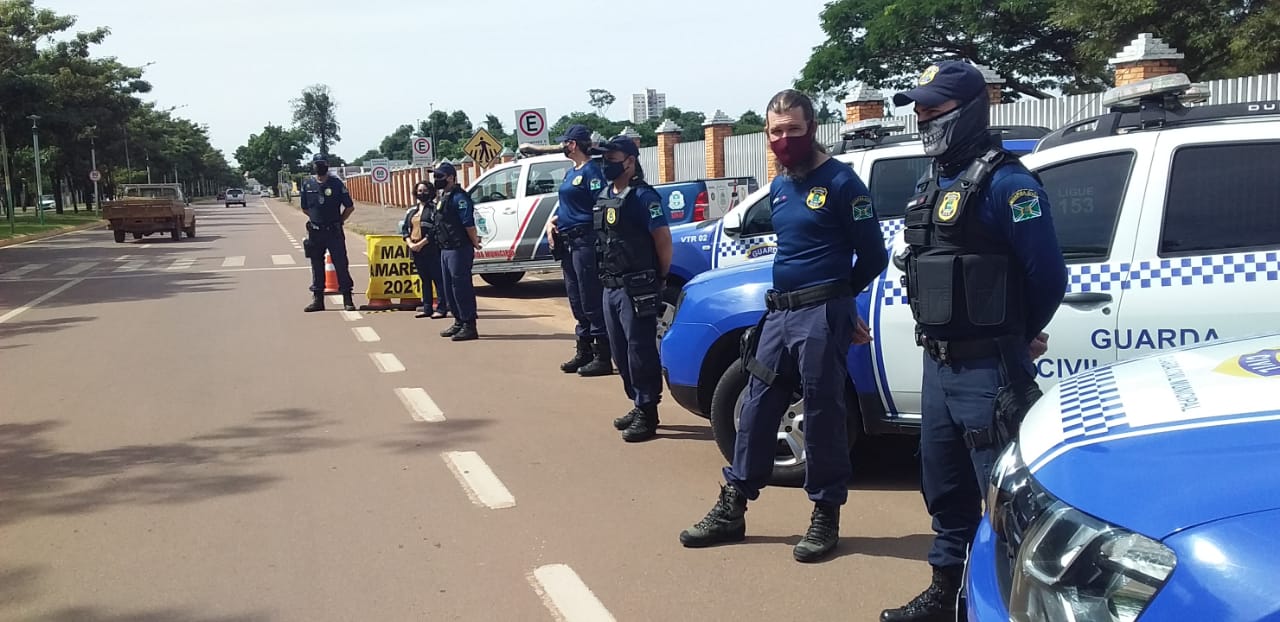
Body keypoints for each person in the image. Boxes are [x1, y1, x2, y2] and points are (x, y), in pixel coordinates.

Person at [879, 61, 1067, 621]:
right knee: (944, 489)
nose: (922, 118)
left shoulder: (1009, 184)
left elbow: (1049, 277)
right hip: (938, 367)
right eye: (919, 109)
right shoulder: (931, 182)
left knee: (1004, 501)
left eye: (933, 109)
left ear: (970, 111)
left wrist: (1015, 335)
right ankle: (947, 596)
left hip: (990, 371)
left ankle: (1006, 607)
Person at [677, 89, 888, 563]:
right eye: (776, 131)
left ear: (812, 127)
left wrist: (841, 299)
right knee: (755, 408)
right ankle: (733, 507)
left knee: (822, 415)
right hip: (778, 314)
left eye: (793, 129)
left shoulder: (842, 184)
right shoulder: (780, 186)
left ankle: (825, 515)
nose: (784, 139)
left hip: (821, 315)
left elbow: (874, 255)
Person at [587, 135, 672, 441]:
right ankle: (638, 402)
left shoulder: (643, 197)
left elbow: (662, 240)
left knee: (640, 350)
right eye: (605, 158)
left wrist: (660, 277)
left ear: (630, 162)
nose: (606, 163)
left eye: (612, 158)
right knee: (620, 350)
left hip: (636, 285)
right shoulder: (606, 194)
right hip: (610, 285)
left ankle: (649, 410)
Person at [521, 124, 612, 377]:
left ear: (573, 144)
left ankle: (602, 355)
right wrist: (554, 221)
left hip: (585, 242)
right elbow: (568, 205)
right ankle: (584, 350)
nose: (562, 146)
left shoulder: (593, 172)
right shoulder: (572, 172)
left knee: (590, 297)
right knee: (575, 298)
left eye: (565, 142)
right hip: (569, 243)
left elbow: (601, 206)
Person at [432, 162, 482, 341]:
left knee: (461, 287)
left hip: (459, 248)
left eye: (439, 176)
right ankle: (459, 320)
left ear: (451, 177)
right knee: (449, 288)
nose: (436, 180)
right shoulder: (444, 196)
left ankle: (469, 325)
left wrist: (475, 241)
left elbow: (468, 223)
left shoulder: (459, 197)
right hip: (445, 249)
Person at [301, 153, 356, 312]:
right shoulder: (308, 184)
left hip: (334, 231)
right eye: (317, 164)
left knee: (341, 264)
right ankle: (318, 300)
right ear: (313, 166)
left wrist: (340, 220)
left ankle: (347, 298)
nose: (319, 166)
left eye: (322, 163)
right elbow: (305, 208)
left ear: (327, 165)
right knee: (316, 265)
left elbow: (349, 207)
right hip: (316, 232)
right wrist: (315, 219)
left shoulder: (336, 184)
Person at [401, 180, 449, 320]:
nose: (422, 193)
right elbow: (405, 229)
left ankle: (441, 308)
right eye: (419, 191)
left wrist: (422, 243)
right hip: (415, 249)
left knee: (437, 279)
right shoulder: (411, 211)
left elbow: (435, 229)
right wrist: (410, 242)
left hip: (431, 249)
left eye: (425, 191)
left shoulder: (434, 209)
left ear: (431, 192)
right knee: (424, 280)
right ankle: (426, 307)